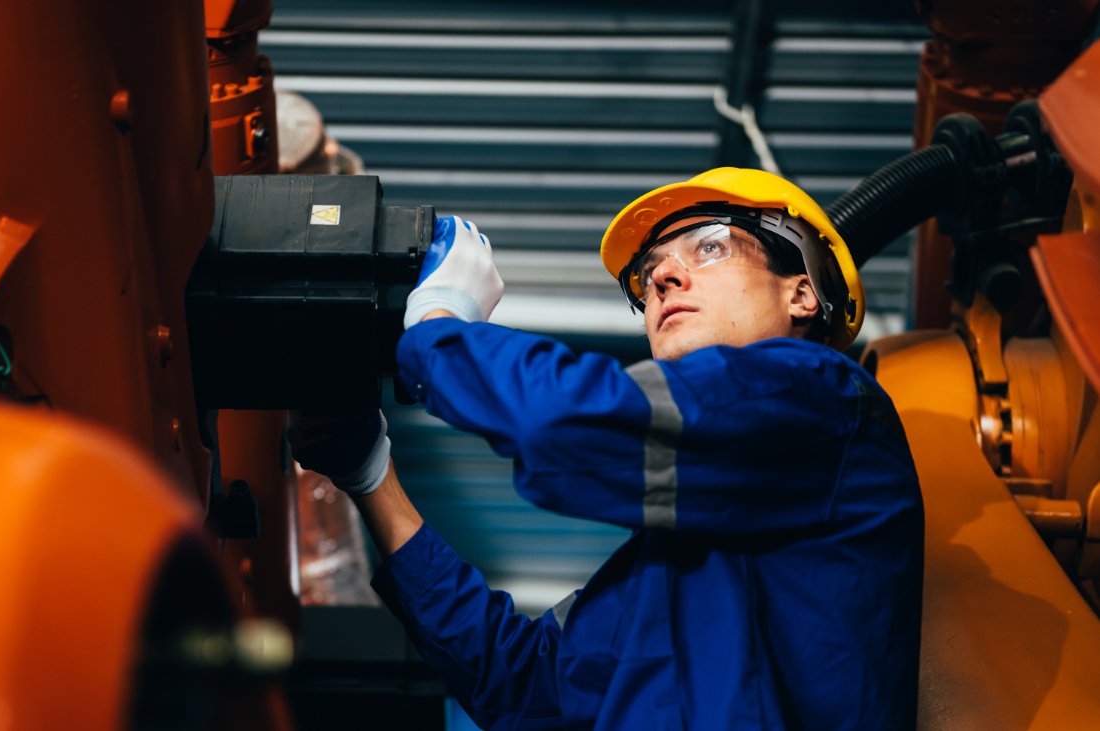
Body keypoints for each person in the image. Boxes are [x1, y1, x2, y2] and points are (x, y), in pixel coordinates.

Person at [289, 167, 924, 730]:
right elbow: (525, 685)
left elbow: (567, 422)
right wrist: (373, 477)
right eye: (647, 279)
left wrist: (439, 328)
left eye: (710, 246)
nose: (664, 279)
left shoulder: (824, 397)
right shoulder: (674, 565)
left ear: (803, 293)